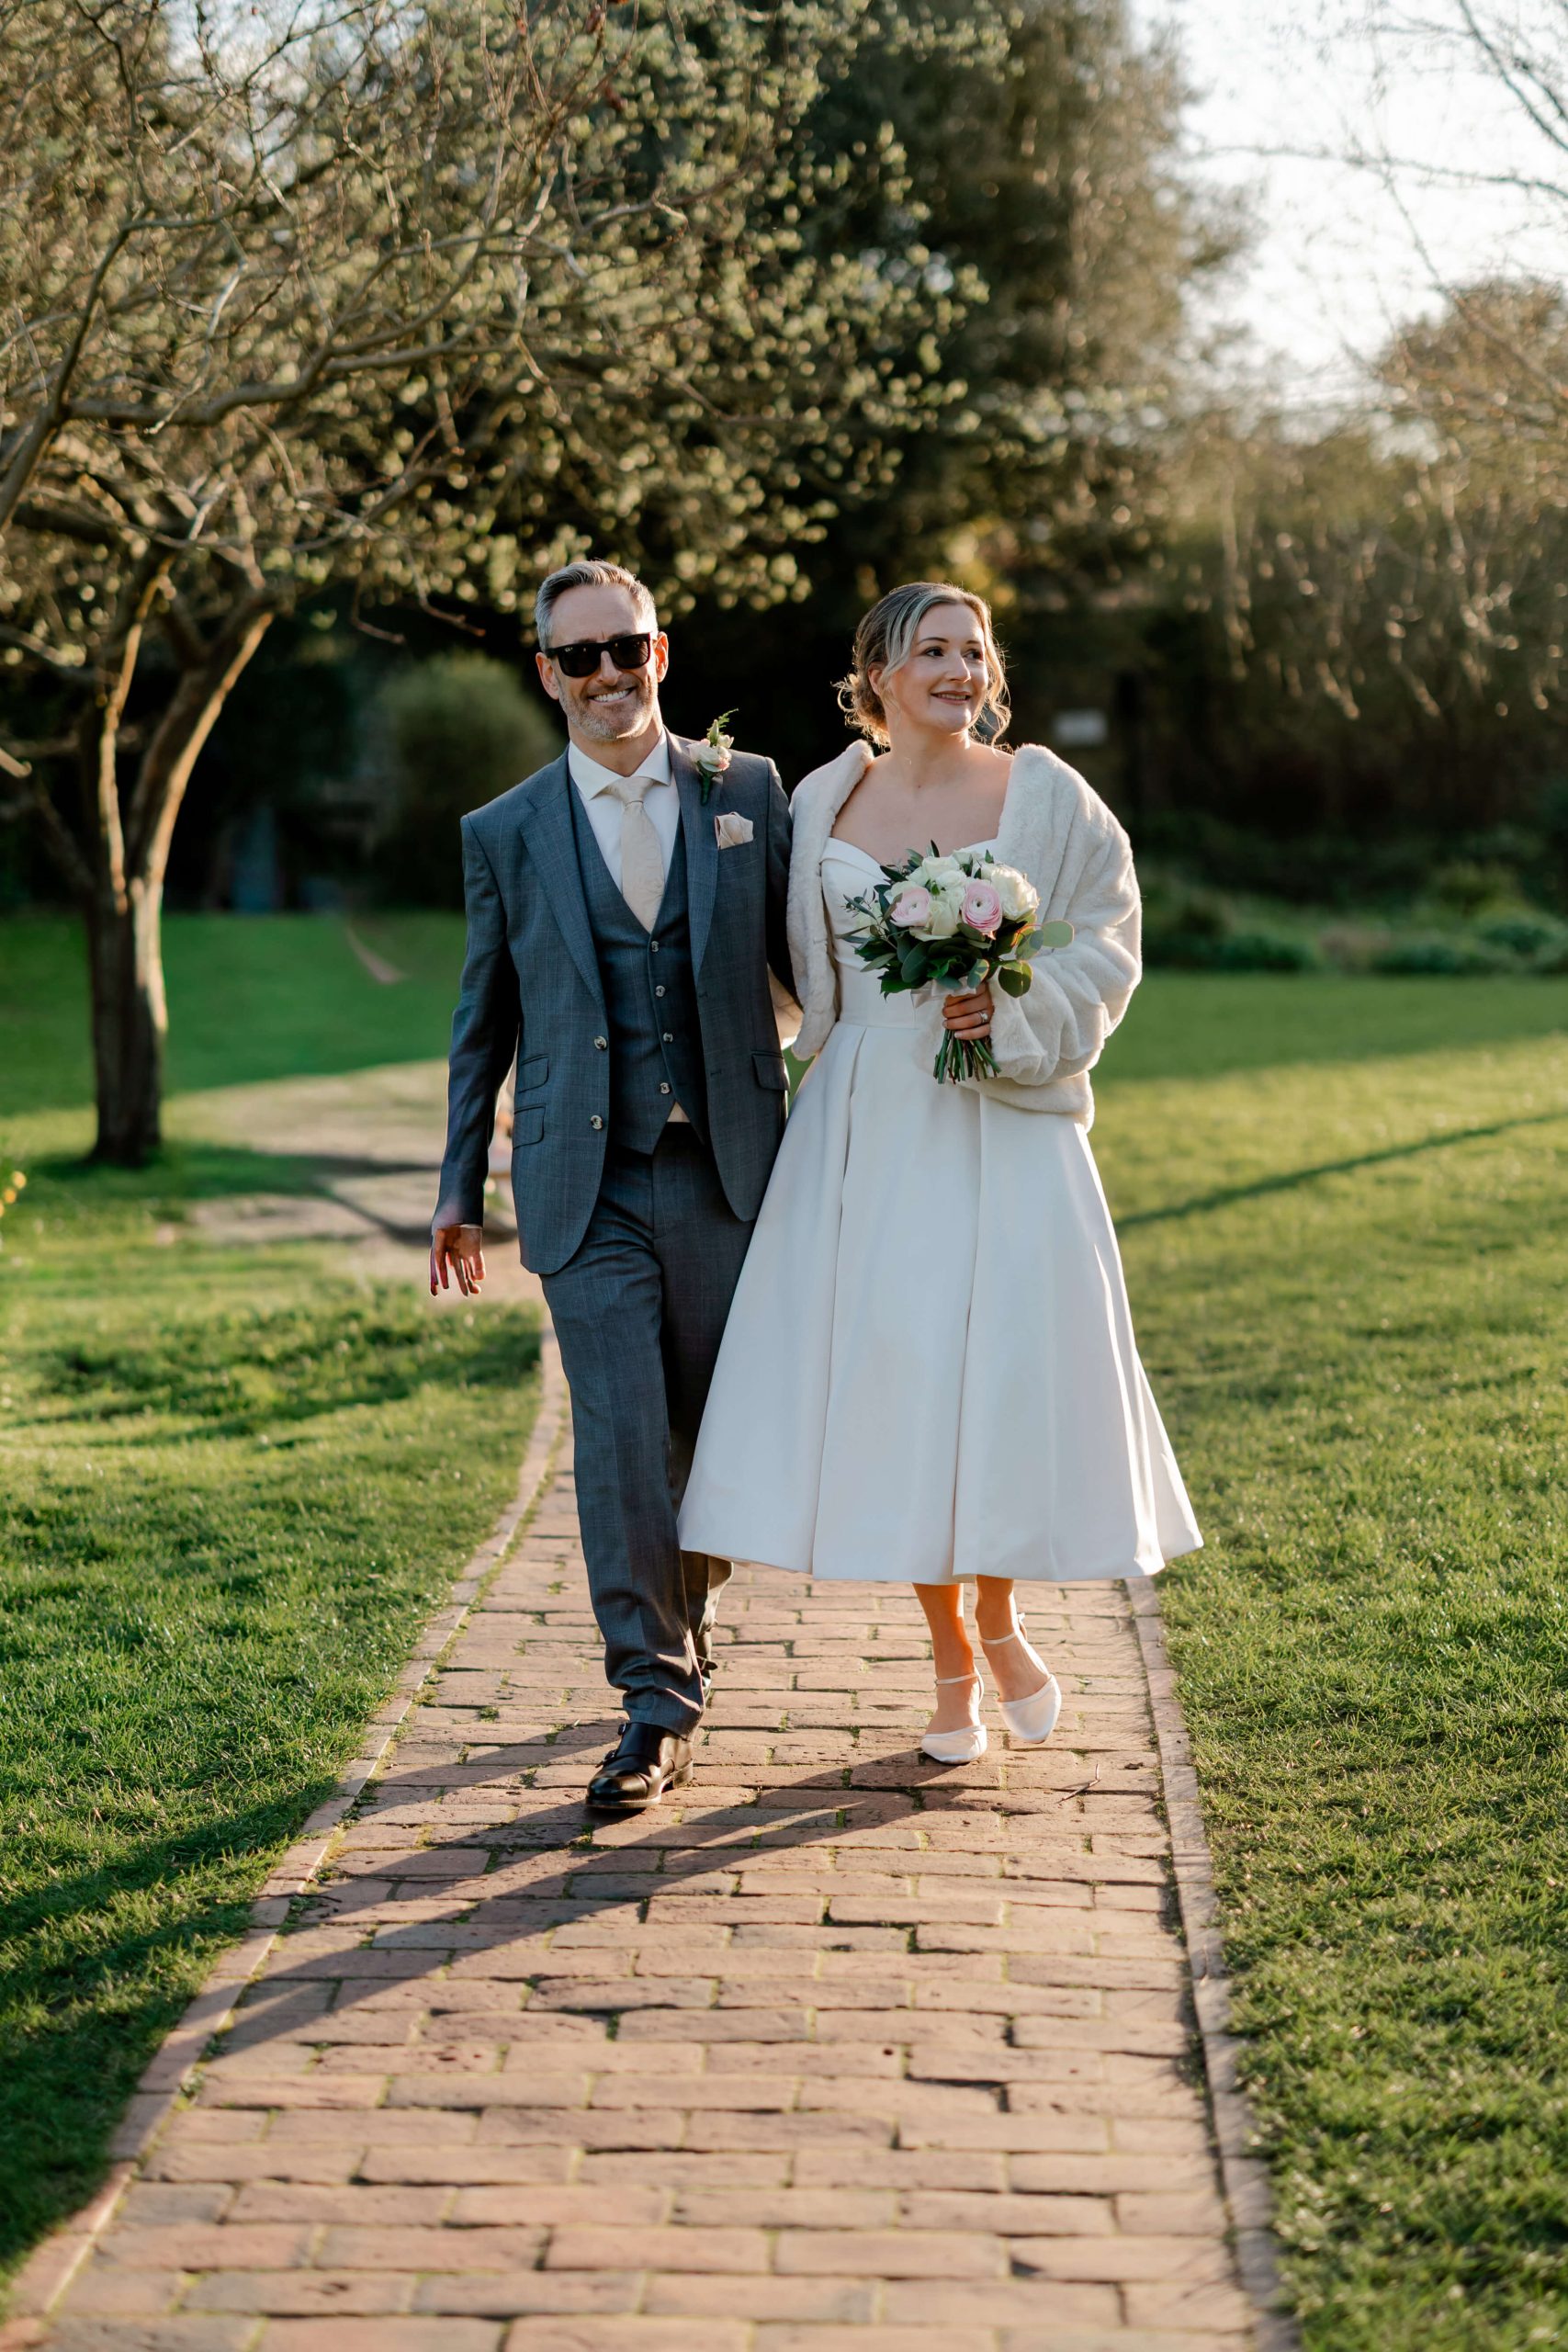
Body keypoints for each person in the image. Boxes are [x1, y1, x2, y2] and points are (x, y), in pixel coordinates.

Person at [679, 581, 1201, 1763]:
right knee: (897, 1385)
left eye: (976, 650)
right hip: (865, 1122)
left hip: (1005, 1121)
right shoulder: (817, 799)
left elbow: (1110, 941)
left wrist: (1012, 1006)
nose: (961, 669)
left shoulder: (1046, 795)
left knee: (999, 1376)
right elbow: (770, 963)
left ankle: (1005, 1620)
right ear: (877, 673)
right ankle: (951, 1660)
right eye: (934, 650)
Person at [430, 560, 796, 1809]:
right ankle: (651, 1696)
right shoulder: (503, 831)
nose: (602, 676)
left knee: (707, 1440)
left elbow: (812, 969)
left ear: (660, 653)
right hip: (581, 1182)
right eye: (575, 657)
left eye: (622, 650)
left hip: (725, 1168)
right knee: (623, 1438)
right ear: (544, 673)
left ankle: (685, 1608)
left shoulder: (744, 789)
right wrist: (454, 1191)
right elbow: (480, 1023)